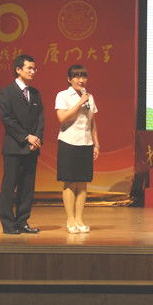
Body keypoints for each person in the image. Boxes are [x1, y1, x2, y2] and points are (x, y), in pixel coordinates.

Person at [0, 54, 44, 235]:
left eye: (34, 68)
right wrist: (26, 137)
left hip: (32, 148)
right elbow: (7, 119)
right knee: (9, 187)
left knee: (27, 188)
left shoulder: (35, 93)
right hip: (14, 147)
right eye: (29, 68)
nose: (33, 71)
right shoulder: (6, 92)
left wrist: (36, 139)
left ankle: (22, 221)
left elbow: (40, 119)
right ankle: (8, 223)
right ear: (18, 69)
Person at [55, 64, 100, 233]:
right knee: (70, 181)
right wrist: (80, 103)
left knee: (82, 182)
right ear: (69, 79)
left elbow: (92, 123)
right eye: (77, 76)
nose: (81, 80)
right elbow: (62, 118)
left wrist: (96, 144)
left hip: (86, 143)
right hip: (68, 142)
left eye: (84, 76)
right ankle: (71, 220)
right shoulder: (63, 95)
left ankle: (80, 219)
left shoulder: (90, 97)